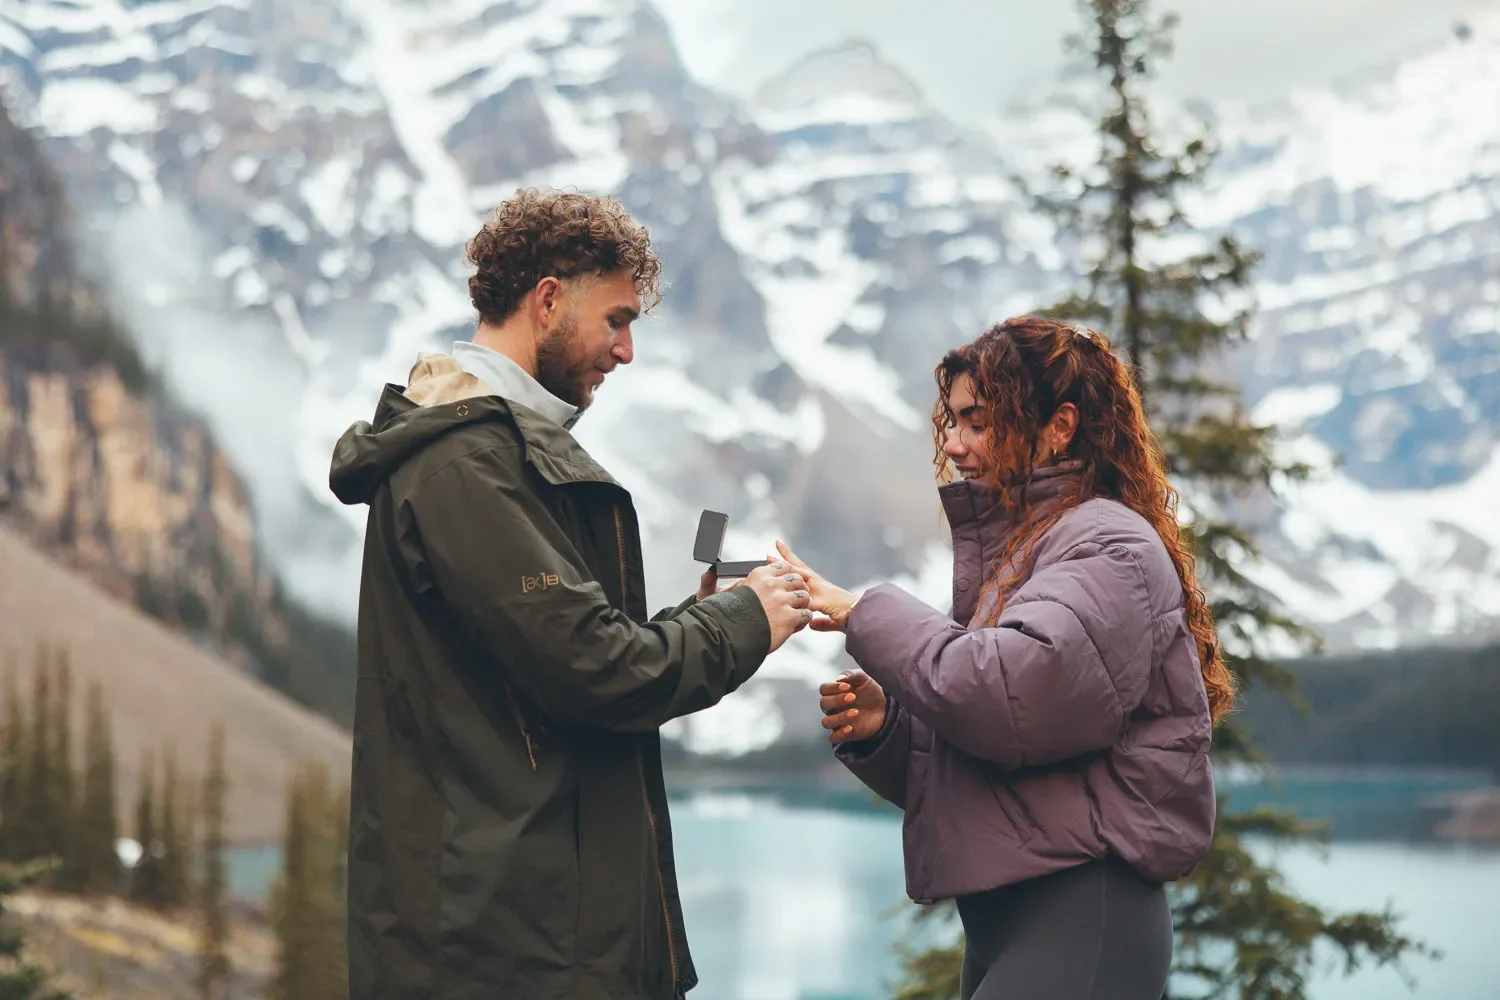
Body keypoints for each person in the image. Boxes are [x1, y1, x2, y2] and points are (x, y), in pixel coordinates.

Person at [328, 187, 813, 1000]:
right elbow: (598, 670)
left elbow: (555, 655)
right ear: (548, 300)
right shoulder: (466, 468)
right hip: (502, 955)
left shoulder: (493, 455)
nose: (626, 352)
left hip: (529, 936)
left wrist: (704, 620)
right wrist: (744, 619)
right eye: (616, 320)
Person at [775, 315, 1228, 1000]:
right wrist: (887, 732)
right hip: (1015, 925)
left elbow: (1017, 701)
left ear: (1059, 425)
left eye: (977, 422)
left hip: (1083, 915)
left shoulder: (1109, 546)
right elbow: (992, 762)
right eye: (951, 422)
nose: (953, 444)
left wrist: (859, 612)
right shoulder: (1034, 553)